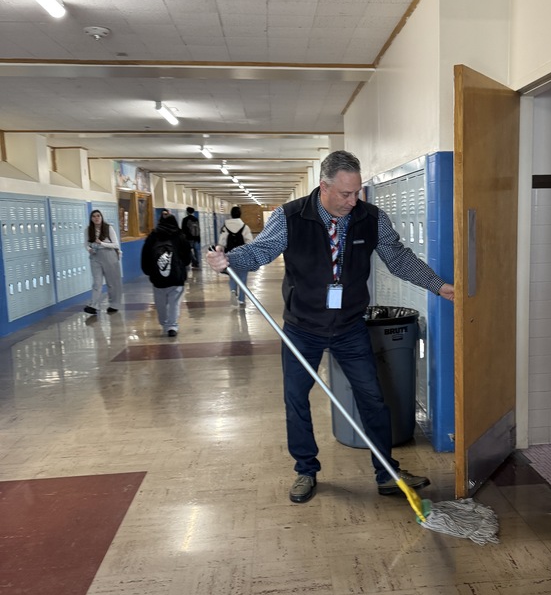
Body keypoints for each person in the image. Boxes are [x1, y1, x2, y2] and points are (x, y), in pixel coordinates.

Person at [206, 150, 455, 504]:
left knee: (372, 398)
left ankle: (386, 472)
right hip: (302, 327)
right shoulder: (291, 217)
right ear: (324, 186)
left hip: (350, 326)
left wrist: (437, 284)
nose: (353, 202)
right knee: (296, 399)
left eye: (357, 193)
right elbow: (261, 252)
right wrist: (230, 260)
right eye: (345, 194)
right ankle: (305, 470)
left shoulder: (371, 218)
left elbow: (398, 258)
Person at [141, 211, 192, 338]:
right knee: (174, 302)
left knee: (160, 302)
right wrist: (182, 266)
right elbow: (187, 256)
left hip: (157, 277)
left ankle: (164, 323)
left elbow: (145, 255)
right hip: (176, 276)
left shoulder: (153, 236)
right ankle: (172, 326)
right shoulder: (180, 235)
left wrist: (149, 271)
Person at [84, 209, 123, 315]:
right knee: (97, 282)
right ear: (91, 219)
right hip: (95, 257)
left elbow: (116, 244)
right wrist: (89, 249)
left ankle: (114, 304)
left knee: (112, 282)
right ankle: (94, 305)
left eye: (98, 216)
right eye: (94, 216)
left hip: (109, 255)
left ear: (101, 217)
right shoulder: (88, 230)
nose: (96, 218)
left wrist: (102, 243)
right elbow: (86, 244)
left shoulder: (108, 228)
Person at [217, 206, 253, 305]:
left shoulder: (225, 226)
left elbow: (222, 242)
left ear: (231, 215)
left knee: (232, 275)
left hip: (229, 254)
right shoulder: (245, 227)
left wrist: (220, 251)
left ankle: (233, 290)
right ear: (240, 214)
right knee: (243, 277)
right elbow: (249, 241)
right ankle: (241, 300)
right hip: (242, 255)